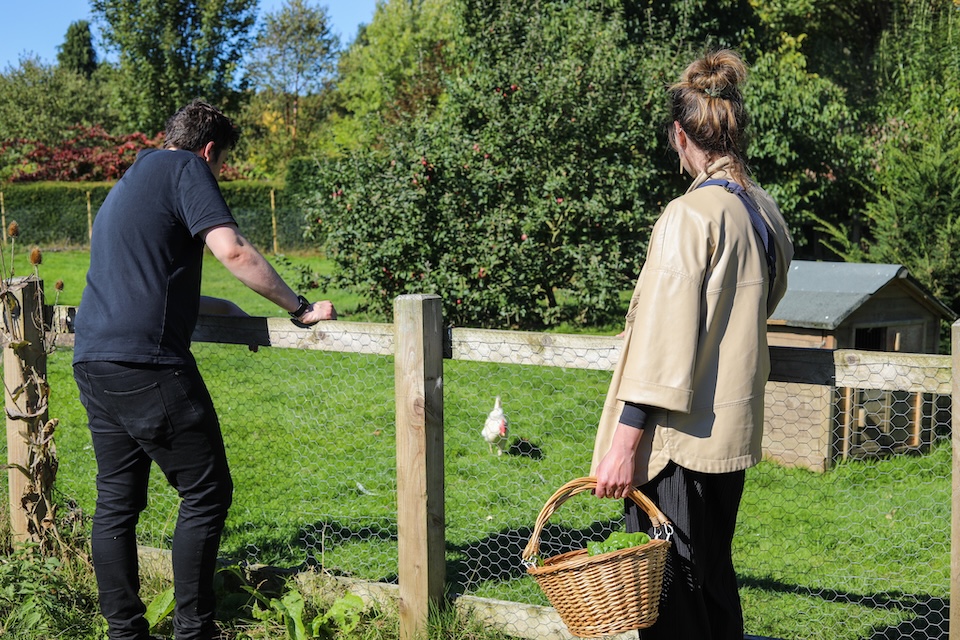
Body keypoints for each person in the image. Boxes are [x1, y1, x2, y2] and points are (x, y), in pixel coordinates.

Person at [72, 99, 337, 640]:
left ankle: (125, 632)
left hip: (94, 360)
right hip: (148, 365)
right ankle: (195, 630)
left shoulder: (131, 179)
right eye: (219, 165)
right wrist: (300, 308)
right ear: (210, 150)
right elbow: (233, 251)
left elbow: (154, 282)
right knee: (207, 492)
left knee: (116, 502)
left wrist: (234, 313)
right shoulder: (187, 168)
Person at [591, 49, 794, 639]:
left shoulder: (689, 215)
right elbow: (757, 304)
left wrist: (625, 444)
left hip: (676, 444)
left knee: (669, 603)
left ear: (682, 135)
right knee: (711, 584)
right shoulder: (764, 212)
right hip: (728, 437)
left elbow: (662, 342)